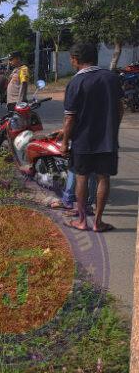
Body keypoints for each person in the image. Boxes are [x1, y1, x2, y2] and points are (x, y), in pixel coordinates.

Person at [61, 43, 124, 232]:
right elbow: (120, 108)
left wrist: (65, 142)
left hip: (82, 141)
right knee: (103, 178)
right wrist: (112, 129)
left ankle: (81, 221)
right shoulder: (111, 78)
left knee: (81, 178)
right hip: (107, 141)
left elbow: (70, 118)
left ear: (75, 59)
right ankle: (98, 222)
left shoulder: (75, 83)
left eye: (72, 59)